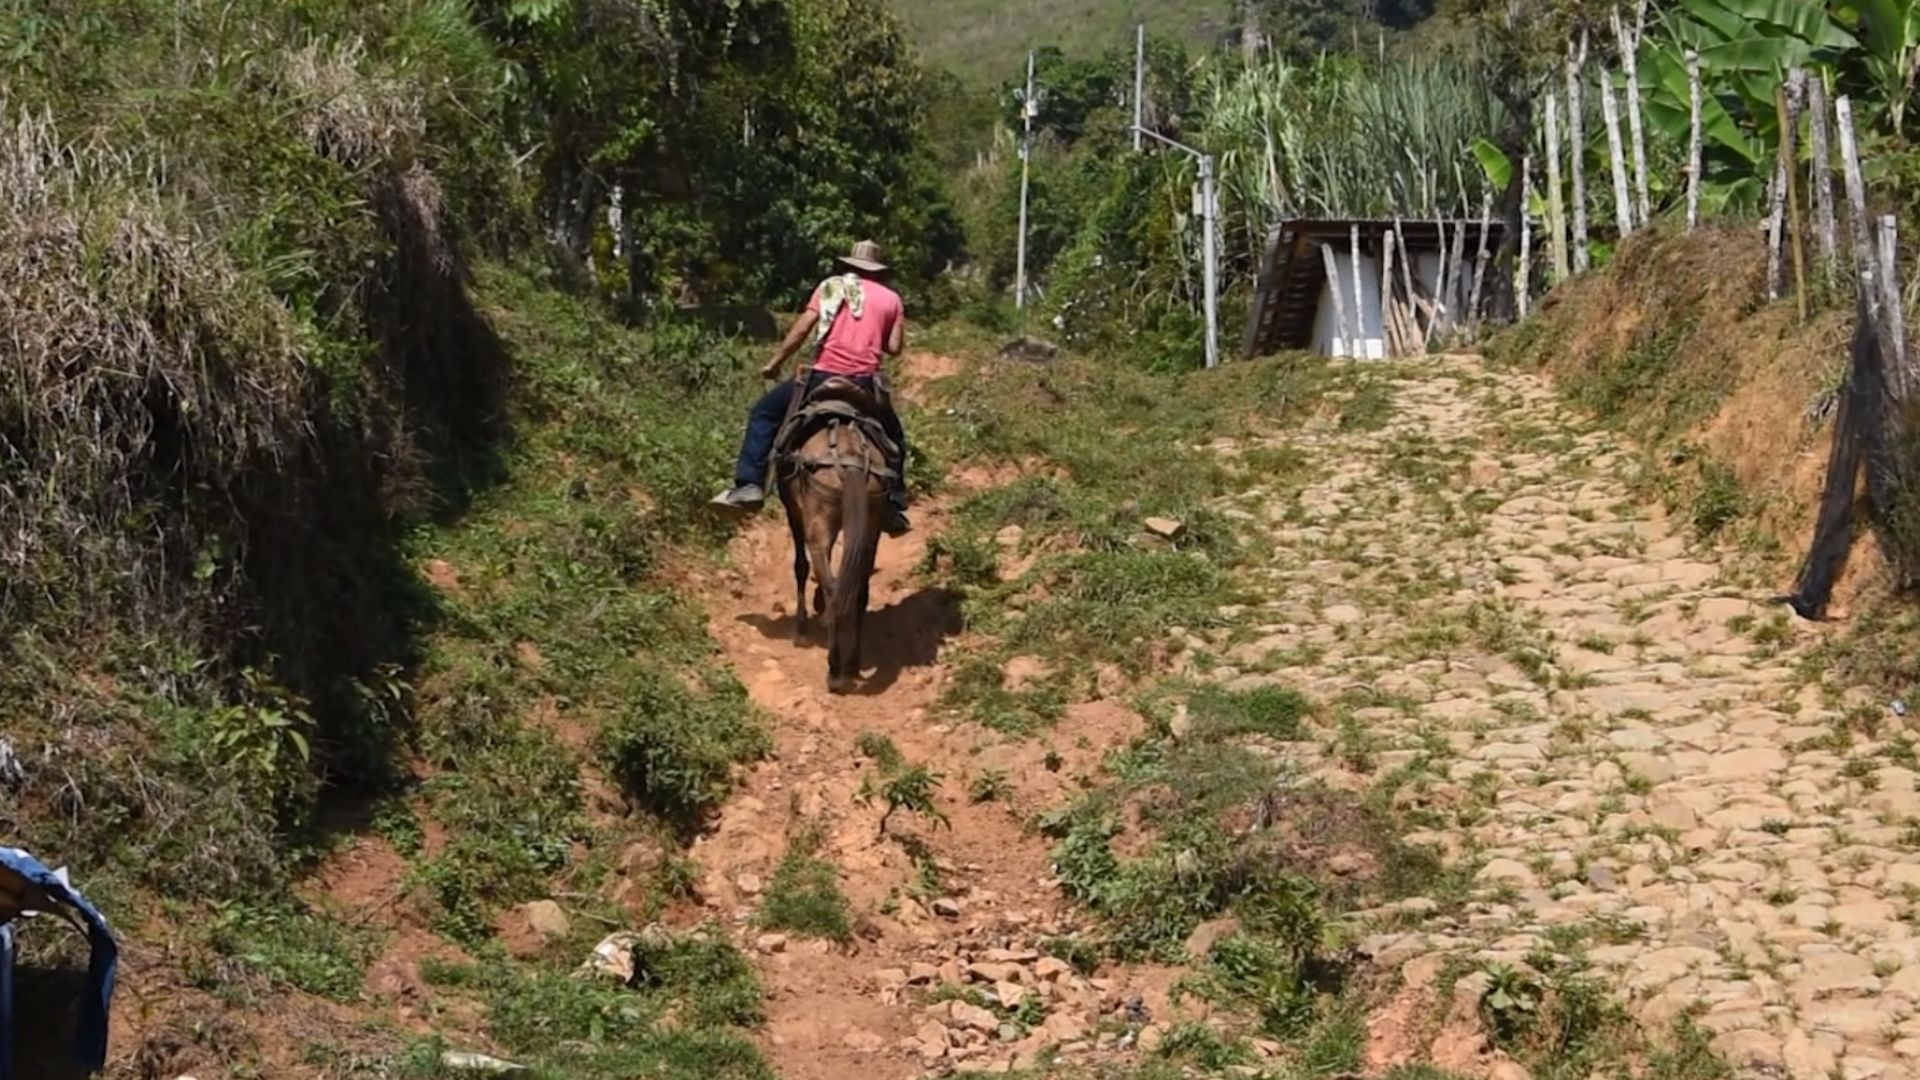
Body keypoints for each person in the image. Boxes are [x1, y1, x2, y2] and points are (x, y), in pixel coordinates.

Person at [711, 240, 912, 536]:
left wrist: (775, 362)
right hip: (864, 384)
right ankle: (893, 505)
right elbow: (894, 348)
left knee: (764, 414)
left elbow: (803, 329)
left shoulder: (830, 287)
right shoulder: (892, 299)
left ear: (850, 265)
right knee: (894, 438)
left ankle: (750, 485)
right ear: (878, 269)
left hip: (822, 378)